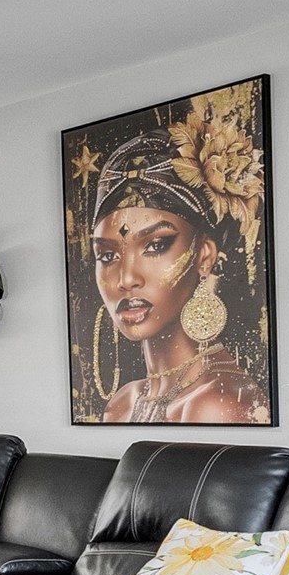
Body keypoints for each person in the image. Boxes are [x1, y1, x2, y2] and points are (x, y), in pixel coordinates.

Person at [87, 128, 269, 424]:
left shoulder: (218, 402)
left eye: (155, 245)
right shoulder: (122, 403)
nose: (126, 279)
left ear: (205, 255)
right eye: (108, 256)